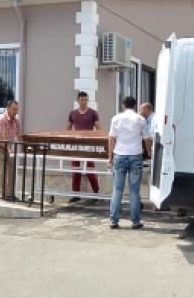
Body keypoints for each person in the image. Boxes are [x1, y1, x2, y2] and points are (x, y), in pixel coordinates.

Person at [108, 96, 152, 229]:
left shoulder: (116, 118)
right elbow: (146, 138)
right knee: (134, 190)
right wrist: (149, 152)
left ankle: (114, 220)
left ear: (123, 105)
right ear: (134, 105)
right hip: (135, 155)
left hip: (120, 154)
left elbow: (111, 138)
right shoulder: (140, 119)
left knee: (117, 189)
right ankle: (135, 220)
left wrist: (110, 157)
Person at [65, 91, 101, 202]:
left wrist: (95, 140)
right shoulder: (73, 114)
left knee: (90, 170)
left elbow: (99, 129)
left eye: (86, 100)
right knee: (76, 170)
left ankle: (96, 194)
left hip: (89, 146)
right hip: (76, 146)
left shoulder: (93, 113)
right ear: (78, 101)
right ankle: (76, 195)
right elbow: (68, 129)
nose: (84, 102)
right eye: (82, 100)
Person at [0, 101, 22, 202]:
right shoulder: (1, 119)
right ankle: (3, 194)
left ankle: (11, 194)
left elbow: (19, 135)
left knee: (11, 170)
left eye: (17, 109)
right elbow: (2, 136)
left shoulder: (16, 121)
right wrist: (9, 148)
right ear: (8, 108)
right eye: (14, 109)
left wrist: (27, 147)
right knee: (1, 171)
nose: (16, 111)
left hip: (8, 147)